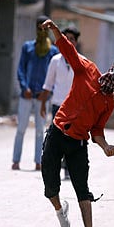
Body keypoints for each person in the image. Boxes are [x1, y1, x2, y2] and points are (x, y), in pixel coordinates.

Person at [40, 18, 114, 227]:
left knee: (82, 187)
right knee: (50, 186)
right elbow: (69, 51)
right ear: (113, 68)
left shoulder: (108, 104)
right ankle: (60, 209)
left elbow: (97, 130)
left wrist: (106, 147)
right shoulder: (88, 70)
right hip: (57, 132)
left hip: (78, 144)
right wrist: (54, 29)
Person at [12, 16, 58, 171]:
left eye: (45, 28)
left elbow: (53, 76)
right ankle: (16, 160)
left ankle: (39, 161)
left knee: (40, 130)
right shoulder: (28, 47)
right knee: (21, 128)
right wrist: (24, 88)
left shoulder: (53, 51)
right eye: (39, 27)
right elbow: (21, 70)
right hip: (27, 95)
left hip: (43, 97)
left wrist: (46, 93)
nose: (42, 31)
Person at [39, 25, 81, 180]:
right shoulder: (55, 61)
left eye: (72, 39)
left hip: (75, 108)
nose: (69, 41)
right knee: (56, 138)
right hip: (58, 106)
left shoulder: (80, 62)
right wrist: (43, 104)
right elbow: (48, 85)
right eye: (66, 38)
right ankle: (53, 168)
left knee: (72, 139)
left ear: (76, 43)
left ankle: (69, 169)